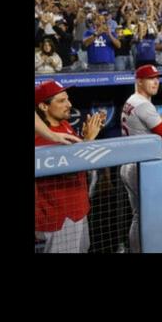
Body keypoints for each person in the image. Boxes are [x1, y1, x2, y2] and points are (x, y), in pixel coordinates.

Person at [118, 64, 162, 253]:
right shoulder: (143, 103)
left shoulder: (133, 100)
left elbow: (154, 128)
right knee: (160, 213)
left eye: (157, 78)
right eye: (151, 78)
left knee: (139, 215)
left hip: (130, 163)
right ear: (139, 81)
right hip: (142, 167)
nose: (156, 81)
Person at [35, 80, 105, 253]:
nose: (69, 104)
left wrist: (84, 137)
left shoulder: (63, 125)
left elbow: (72, 154)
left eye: (68, 99)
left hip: (76, 209)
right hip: (58, 217)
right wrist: (89, 141)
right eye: (61, 101)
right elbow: (70, 172)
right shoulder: (41, 138)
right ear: (44, 106)